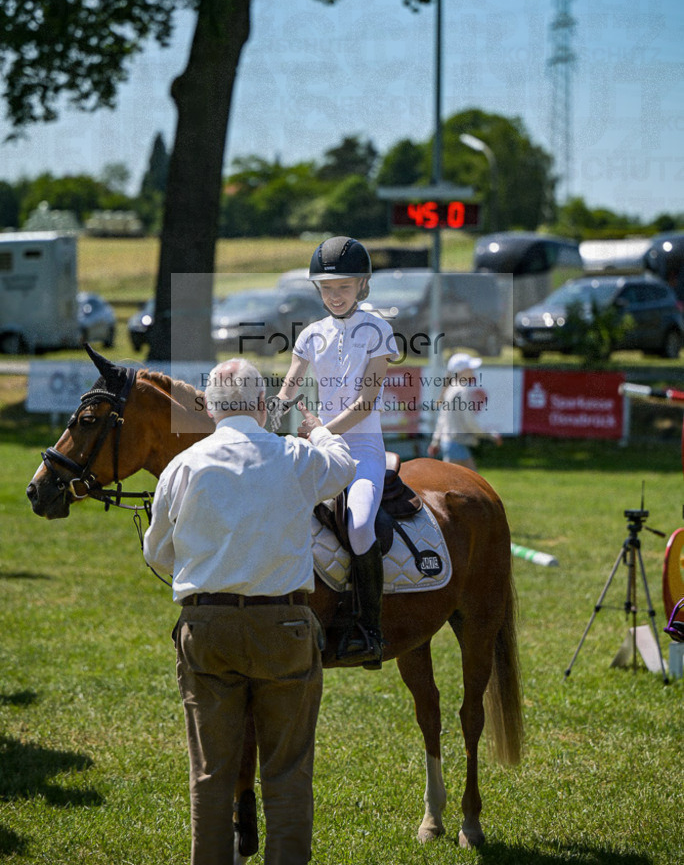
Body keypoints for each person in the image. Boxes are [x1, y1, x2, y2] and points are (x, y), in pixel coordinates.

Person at [143, 357, 356, 865]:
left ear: (210, 410)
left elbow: (157, 553)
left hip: (206, 626)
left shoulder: (184, 465)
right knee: (287, 772)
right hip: (283, 625)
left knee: (211, 772)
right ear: (262, 407)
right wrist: (318, 429)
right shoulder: (294, 454)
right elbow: (344, 468)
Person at [270, 236, 400, 670]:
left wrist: (322, 429)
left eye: (344, 286)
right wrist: (269, 414)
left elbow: (366, 401)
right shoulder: (311, 334)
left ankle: (370, 630)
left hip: (361, 447)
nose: (335, 295)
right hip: (318, 447)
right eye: (326, 288)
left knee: (360, 526)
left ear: (363, 286)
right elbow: (291, 384)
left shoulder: (378, 329)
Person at [427, 352, 502, 471]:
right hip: (457, 445)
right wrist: (490, 435)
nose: (473, 370)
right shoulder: (462, 391)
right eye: (469, 367)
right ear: (461, 371)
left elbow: (442, 419)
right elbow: (470, 423)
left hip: (450, 444)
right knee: (472, 486)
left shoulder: (451, 389)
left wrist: (435, 441)